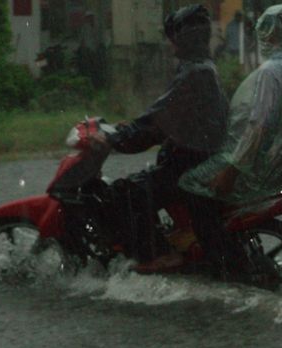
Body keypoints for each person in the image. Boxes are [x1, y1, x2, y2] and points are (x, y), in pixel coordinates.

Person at [179, 3, 282, 278]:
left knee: (190, 183)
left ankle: (217, 258)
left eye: (266, 31)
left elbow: (260, 126)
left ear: (273, 35)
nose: (263, 37)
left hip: (267, 166)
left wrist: (231, 170)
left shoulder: (272, 71)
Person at [92, 4, 228, 271]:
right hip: (198, 157)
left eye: (173, 37)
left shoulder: (194, 72)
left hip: (188, 164)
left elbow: (157, 122)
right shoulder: (201, 67)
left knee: (127, 192)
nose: (170, 43)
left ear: (184, 38)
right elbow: (165, 116)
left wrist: (118, 138)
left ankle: (159, 255)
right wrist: (130, 128)